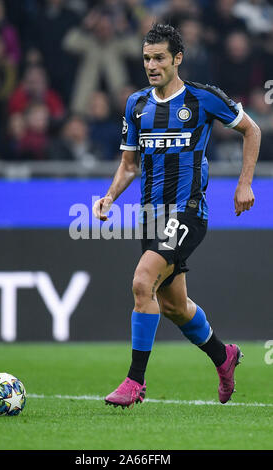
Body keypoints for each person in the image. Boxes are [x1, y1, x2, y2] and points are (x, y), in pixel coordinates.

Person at [93, 23, 261, 408]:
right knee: (173, 305)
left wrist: (244, 184)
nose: (151, 65)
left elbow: (251, 131)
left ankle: (135, 381)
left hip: (188, 212)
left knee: (142, 281)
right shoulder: (136, 104)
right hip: (150, 215)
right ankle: (224, 356)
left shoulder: (202, 99)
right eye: (147, 59)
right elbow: (129, 165)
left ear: (177, 59)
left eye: (159, 58)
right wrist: (109, 197)